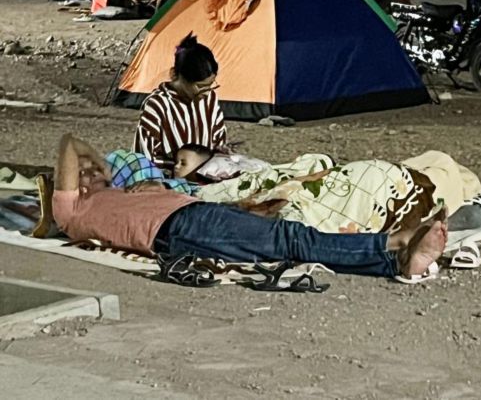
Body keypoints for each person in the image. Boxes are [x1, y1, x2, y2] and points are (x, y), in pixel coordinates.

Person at [52, 134, 448, 280]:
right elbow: (68, 143)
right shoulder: (72, 213)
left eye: (92, 170)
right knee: (291, 239)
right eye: (83, 173)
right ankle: (393, 245)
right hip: (179, 228)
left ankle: (394, 261)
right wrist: (95, 160)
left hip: (193, 215)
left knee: (286, 241)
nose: (91, 173)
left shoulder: (125, 193)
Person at [133, 33, 227, 167]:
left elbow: (218, 140)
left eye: (210, 85)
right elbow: (146, 159)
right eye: (200, 86)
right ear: (176, 75)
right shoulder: (158, 105)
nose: (206, 92)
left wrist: (221, 152)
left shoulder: (209, 99)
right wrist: (184, 167)